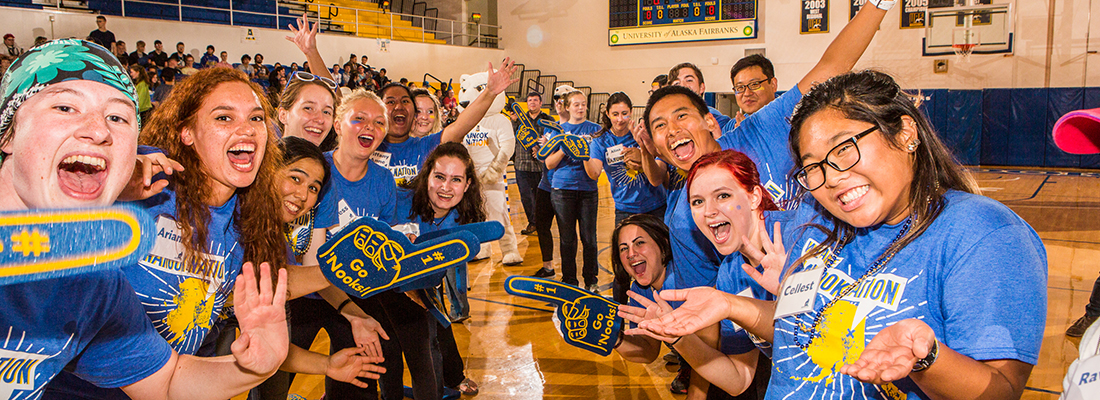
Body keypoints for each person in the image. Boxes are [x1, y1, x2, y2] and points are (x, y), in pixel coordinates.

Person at [641, 69, 1047, 399]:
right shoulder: (812, 225)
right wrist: (730, 305)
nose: (831, 179)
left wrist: (926, 360)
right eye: (813, 166)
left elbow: (1002, 390)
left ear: (906, 133)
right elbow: (802, 331)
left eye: (843, 148)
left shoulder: (982, 233)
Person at [0, 38, 288, 400]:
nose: (98, 130)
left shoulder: (94, 285)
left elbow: (166, 383)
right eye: (65, 107)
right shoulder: (151, 193)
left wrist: (253, 367)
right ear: (8, 132)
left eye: (117, 117)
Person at [401, 142, 484, 395]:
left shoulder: (461, 214)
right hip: (385, 289)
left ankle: (453, 376)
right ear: (427, 175)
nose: (446, 187)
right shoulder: (400, 201)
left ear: (467, 184)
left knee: (439, 326)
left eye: (456, 179)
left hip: (426, 286)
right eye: (439, 177)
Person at [372, 59, 517, 187]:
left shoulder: (425, 145)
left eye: (405, 101)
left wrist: (490, 92)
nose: (399, 106)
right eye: (391, 102)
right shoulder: (368, 145)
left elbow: (460, 126)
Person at [584, 92, 667, 303]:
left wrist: (643, 150)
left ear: (631, 113)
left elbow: (661, 165)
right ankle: (619, 315)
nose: (620, 119)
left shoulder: (641, 133)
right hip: (625, 209)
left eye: (624, 113)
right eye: (615, 114)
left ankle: (666, 305)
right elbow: (594, 173)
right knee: (622, 266)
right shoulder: (600, 140)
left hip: (655, 205)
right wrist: (583, 153)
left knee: (663, 259)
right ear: (607, 114)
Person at [543, 89, 601, 292]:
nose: (581, 108)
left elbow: (597, 160)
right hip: (562, 189)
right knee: (567, 239)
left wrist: (583, 151)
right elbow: (549, 163)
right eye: (576, 104)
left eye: (583, 104)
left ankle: (591, 280)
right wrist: (563, 147)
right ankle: (569, 280)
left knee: (589, 238)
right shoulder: (556, 130)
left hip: (588, 189)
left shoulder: (595, 129)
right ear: (567, 107)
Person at [510, 91, 553, 235]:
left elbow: (552, 139)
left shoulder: (548, 119)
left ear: (541, 103)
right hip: (522, 164)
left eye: (535, 100)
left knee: (541, 197)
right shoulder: (519, 120)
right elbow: (511, 137)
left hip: (541, 166)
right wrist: (514, 122)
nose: (532, 103)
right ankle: (533, 223)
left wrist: (541, 150)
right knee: (526, 196)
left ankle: (542, 223)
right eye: (529, 100)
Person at [668, 62, 731, 128]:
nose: (683, 85)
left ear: (701, 87)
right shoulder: (666, 123)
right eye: (676, 83)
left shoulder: (718, 121)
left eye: (689, 80)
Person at [730, 55, 779, 127]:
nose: (747, 93)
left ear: (773, 84)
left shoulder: (792, 119)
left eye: (754, 84)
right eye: (740, 87)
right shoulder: (732, 126)